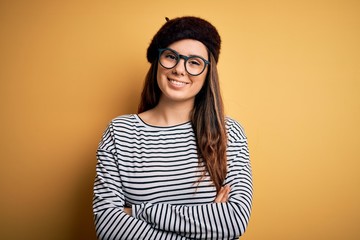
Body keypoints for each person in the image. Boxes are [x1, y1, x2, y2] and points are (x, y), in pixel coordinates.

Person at [93, 16, 253, 240]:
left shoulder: (229, 132)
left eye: (194, 62)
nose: (180, 69)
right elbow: (108, 228)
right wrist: (209, 226)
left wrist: (137, 212)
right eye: (171, 57)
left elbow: (233, 219)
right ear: (158, 61)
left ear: (208, 73)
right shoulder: (120, 132)